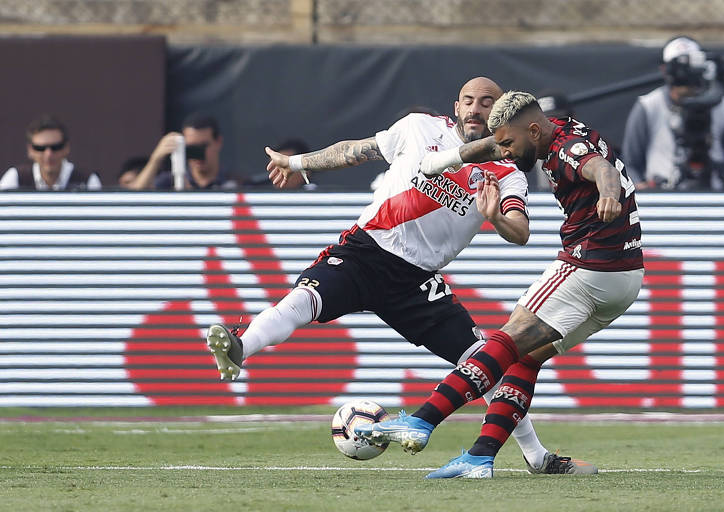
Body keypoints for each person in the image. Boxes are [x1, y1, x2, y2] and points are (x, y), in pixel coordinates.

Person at [206, 77, 591, 474]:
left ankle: (536, 456)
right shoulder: (418, 128)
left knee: (487, 365)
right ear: (455, 107)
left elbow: (520, 230)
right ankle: (241, 346)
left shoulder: (507, 170)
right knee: (301, 300)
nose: (476, 108)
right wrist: (297, 163)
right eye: (469, 101)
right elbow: (354, 152)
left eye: (487, 102)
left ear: (498, 113)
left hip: (417, 280)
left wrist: (495, 216)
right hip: (365, 252)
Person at [356, 90, 643, 479]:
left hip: (589, 265)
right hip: (625, 279)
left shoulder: (566, 149)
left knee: (502, 342)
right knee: (526, 357)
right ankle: (480, 457)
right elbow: (491, 145)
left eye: (509, 144)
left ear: (534, 130)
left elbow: (601, 171)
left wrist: (608, 195)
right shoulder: (552, 129)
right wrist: (442, 160)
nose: (504, 152)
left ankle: (422, 420)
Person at [622, 36, 724, 190]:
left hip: (713, 193)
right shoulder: (648, 106)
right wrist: (639, 187)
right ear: (664, 69)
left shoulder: (721, 105)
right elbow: (630, 163)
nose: (684, 75)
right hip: (662, 194)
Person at [128, 113, 237, 190]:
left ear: (218, 142)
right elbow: (135, 200)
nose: (197, 153)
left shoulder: (235, 183)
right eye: (191, 147)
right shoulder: (169, 181)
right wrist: (156, 159)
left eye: (203, 146)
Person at [0, 115, 101, 191]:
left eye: (55, 147)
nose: (48, 154)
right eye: (40, 148)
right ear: (30, 150)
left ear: (66, 148)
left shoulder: (87, 181)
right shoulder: (16, 178)